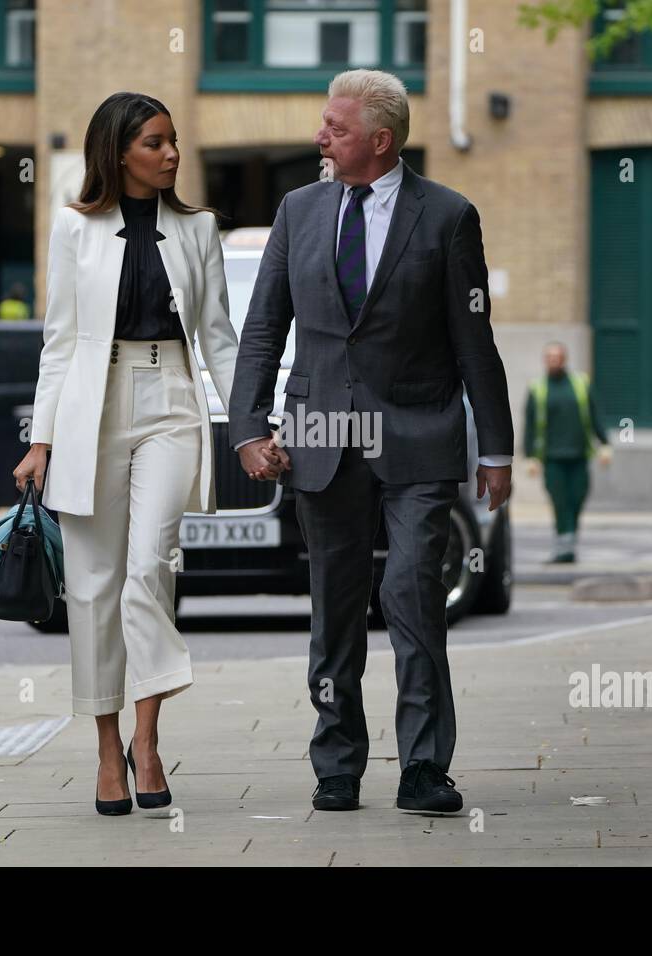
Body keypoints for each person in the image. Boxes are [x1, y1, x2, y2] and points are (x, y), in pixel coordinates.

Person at [228, 69, 514, 814]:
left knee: (413, 589)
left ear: (380, 141)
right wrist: (249, 428)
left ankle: (423, 766)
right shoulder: (298, 210)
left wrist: (497, 449)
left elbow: (472, 339)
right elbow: (264, 328)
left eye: (337, 128)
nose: (320, 137)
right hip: (321, 435)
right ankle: (338, 762)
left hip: (417, 434)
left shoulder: (448, 216)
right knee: (336, 604)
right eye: (324, 124)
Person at [12, 92, 264, 817]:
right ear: (119, 150)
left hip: (171, 402)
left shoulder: (198, 228)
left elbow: (218, 336)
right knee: (91, 587)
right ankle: (104, 750)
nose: (172, 154)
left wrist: (247, 425)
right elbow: (59, 342)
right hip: (92, 405)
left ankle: (147, 740)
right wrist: (41, 439)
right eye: (156, 142)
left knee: (151, 569)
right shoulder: (74, 228)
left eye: (175, 141)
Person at [522, 342, 612, 563]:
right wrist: (530, 456)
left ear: (565, 359)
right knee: (560, 502)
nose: (554, 360)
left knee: (577, 499)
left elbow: (595, 414)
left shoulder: (581, 384)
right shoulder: (538, 389)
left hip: (579, 455)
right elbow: (530, 425)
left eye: (558, 356)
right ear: (545, 360)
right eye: (550, 357)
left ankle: (568, 542)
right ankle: (564, 548)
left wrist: (605, 444)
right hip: (552, 458)